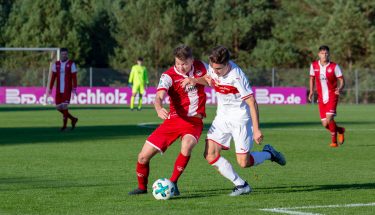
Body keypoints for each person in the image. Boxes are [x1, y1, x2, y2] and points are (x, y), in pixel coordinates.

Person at [182, 45, 286, 196]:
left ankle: (269, 153)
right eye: (213, 67)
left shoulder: (237, 76)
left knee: (244, 162)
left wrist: (256, 130)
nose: (215, 71)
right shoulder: (213, 68)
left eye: (219, 69)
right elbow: (210, 80)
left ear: (227, 64)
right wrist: (195, 80)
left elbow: (252, 102)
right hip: (222, 117)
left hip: (240, 119)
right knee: (210, 154)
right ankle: (241, 185)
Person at [128, 45, 208, 196]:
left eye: (184, 63)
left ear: (192, 60)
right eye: (178, 63)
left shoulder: (202, 66)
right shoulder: (168, 76)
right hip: (174, 120)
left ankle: (173, 182)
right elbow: (159, 96)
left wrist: (195, 80)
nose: (181, 67)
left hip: (193, 121)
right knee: (143, 157)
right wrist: (158, 108)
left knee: (187, 145)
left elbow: (214, 81)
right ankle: (142, 187)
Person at [308, 45, 345, 148]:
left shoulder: (334, 66)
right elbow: (312, 78)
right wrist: (311, 91)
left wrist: (340, 88)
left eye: (326, 53)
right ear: (319, 54)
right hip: (321, 97)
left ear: (329, 54)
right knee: (325, 124)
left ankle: (334, 142)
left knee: (329, 119)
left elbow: (341, 80)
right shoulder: (314, 65)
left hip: (332, 95)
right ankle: (340, 130)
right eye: (322, 53)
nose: (325, 55)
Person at [48, 48, 78, 131]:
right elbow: (53, 77)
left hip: (67, 89)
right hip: (58, 90)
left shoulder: (71, 64)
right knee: (58, 107)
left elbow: (74, 77)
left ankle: (64, 126)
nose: (64, 55)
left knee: (64, 106)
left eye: (66, 54)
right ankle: (73, 119)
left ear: (67, 54)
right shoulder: (56, 64)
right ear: (60, 55)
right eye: (63, 54)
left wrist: (75, 88)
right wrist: (50, 88)